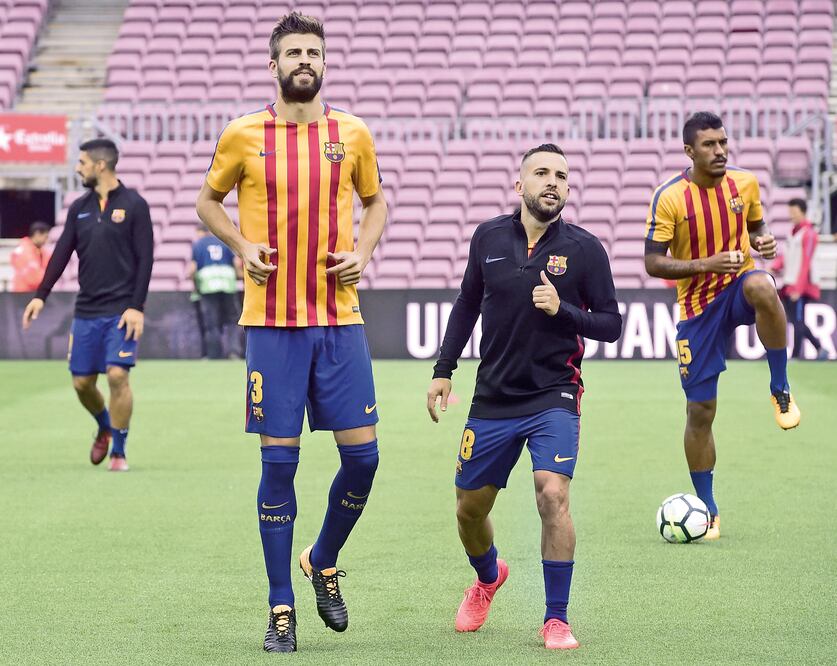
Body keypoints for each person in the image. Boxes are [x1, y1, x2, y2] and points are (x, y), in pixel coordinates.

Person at [195, 12, 387, 653]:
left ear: (324, 62)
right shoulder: (243, 134)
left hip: (339, 320)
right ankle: (281, 605)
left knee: (363, 458)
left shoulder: (352, 133)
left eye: (313, 51)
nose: (304, 60)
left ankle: (323, 558)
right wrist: (240, 244)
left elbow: (375, 202)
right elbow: (206, 201)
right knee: (280, 467)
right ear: (273, 64)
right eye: (292, 52)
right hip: (272, 327)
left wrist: (363, 249)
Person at [426, 144, 622, 651]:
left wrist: (565, 311)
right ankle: (489, 576)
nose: (551, 182)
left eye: (561, 175)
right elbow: (468, 303)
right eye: (541, 173)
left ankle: (556, 617)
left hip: (554, 392)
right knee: (469, 510)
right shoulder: (487, 236)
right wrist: (444, 370)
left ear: (569, 189)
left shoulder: (585, 250)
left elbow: (612, 325)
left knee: (552, 492)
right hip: (492, 396)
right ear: (520, 186)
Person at [644, 112, 800, 541]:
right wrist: (703, 264)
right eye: (710, 145)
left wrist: (764, 241)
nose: (720, 151)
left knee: (764, 288)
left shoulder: (745, 185)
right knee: (700, 412)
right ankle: (708, 508)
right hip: (697, 309)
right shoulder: (669, 197)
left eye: (723, 142)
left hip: (738, 287)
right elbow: (652, 261)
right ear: (689, 151)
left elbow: (757, 228)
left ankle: (780, 388)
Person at [21, 138, 154, 472]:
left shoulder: (136, 205)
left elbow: (146, 259)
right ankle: (105, 424)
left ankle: (119, 451)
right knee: (82, 383)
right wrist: (41, 295)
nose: (77, 168)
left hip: (123, 310)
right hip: (87, 310)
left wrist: (136, 306)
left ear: (100, 165)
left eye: (81, 162)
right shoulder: (78, 207)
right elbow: (62, 253)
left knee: (117, 375)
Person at [772, 199, 828, 360]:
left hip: (801, 285)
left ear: (803, 212)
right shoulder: (792, 232)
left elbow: (806, 262)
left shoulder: (809, 234)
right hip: (790, 283)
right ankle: (820, 348)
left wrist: (799, 288)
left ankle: (796, 355)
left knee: (797, 321)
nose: (791, 216)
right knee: (796, 321)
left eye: (794, 213)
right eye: (790, 213)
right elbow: (786, 256)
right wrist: (774, 266)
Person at [187, 224, 243, 359]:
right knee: (232, 320)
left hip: (207, 284)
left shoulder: (198, 244)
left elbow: (192, 270)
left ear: (202, 232)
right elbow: (236, 263)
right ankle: (233, 352)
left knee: (211, 323)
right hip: (228, 283)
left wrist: (195, 286)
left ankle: (214, 355)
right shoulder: (225, 241)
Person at [10, 221, 52, 292]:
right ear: (37, 234)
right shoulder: (22, 250)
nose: (46, 240)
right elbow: (31, 276)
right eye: (45, 237)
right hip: (22, 292)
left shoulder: (43, 252)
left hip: (38, 292)